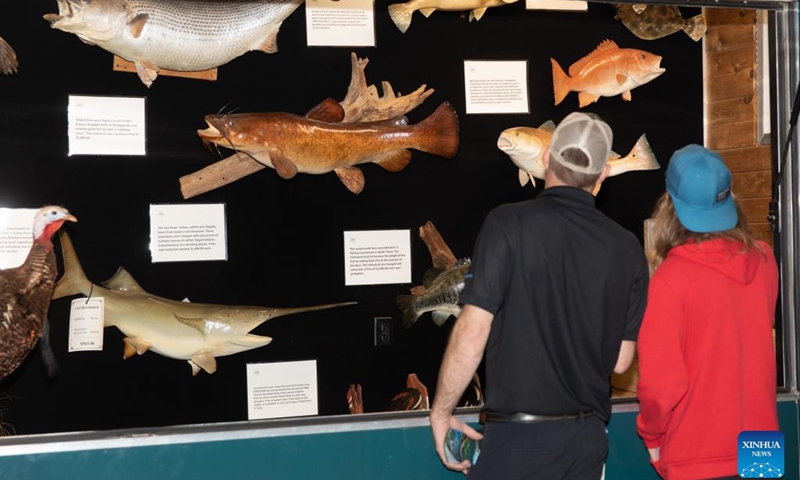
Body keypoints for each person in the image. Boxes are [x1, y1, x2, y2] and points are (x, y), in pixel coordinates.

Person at [429, 112, 649, 479]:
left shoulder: (507, 223)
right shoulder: (626, 247)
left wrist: (441, 412)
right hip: (587, 442)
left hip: (517, 441)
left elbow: (472, 329)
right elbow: (622, 361)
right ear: (602, 175)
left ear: (546, 158)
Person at [636, 144, 779, 480]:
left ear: (669, 204)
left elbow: (661, 385)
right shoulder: (765, 260)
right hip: (762, 449)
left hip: (699, 455)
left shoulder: (672, 279)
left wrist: (652, 435)